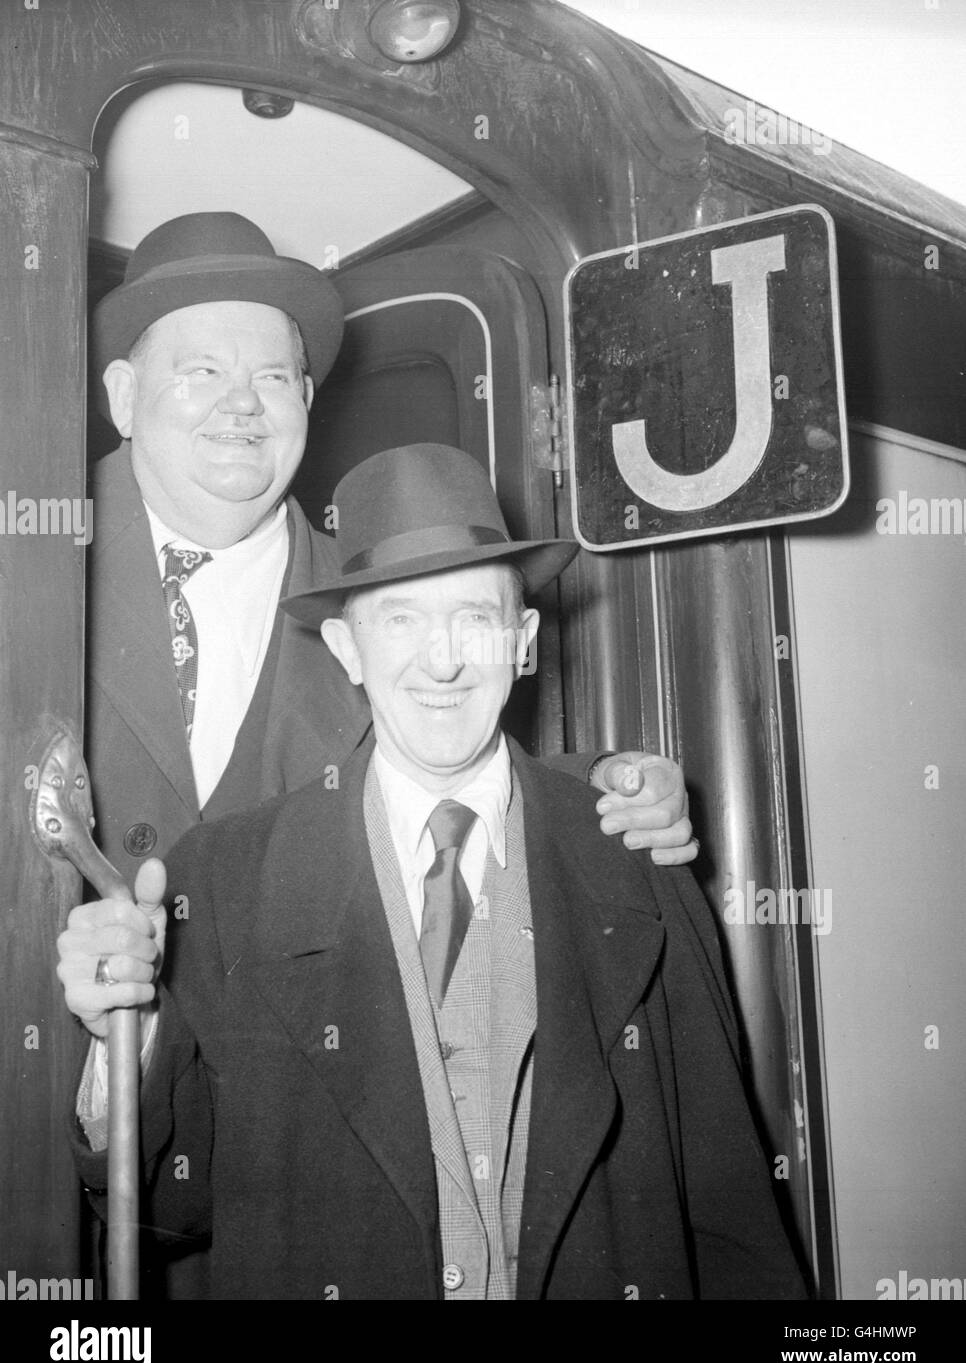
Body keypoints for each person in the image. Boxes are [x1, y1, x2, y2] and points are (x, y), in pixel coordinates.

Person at [59, 444, 806, 1300]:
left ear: (522, 642)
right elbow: (165, 1212)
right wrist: (125, 1033)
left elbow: (728, 1208)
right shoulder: (226, 879)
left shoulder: (631, 859)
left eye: (475, 619)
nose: (442, 660)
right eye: (402, 620)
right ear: (346, 648)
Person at [87, 210, 696, 881]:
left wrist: (606, 787)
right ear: (124, 396)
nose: (243, 404)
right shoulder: (33, 560)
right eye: (202, 371)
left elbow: (454, 771)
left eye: (272, 378)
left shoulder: (370, 594)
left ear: (308, 398)